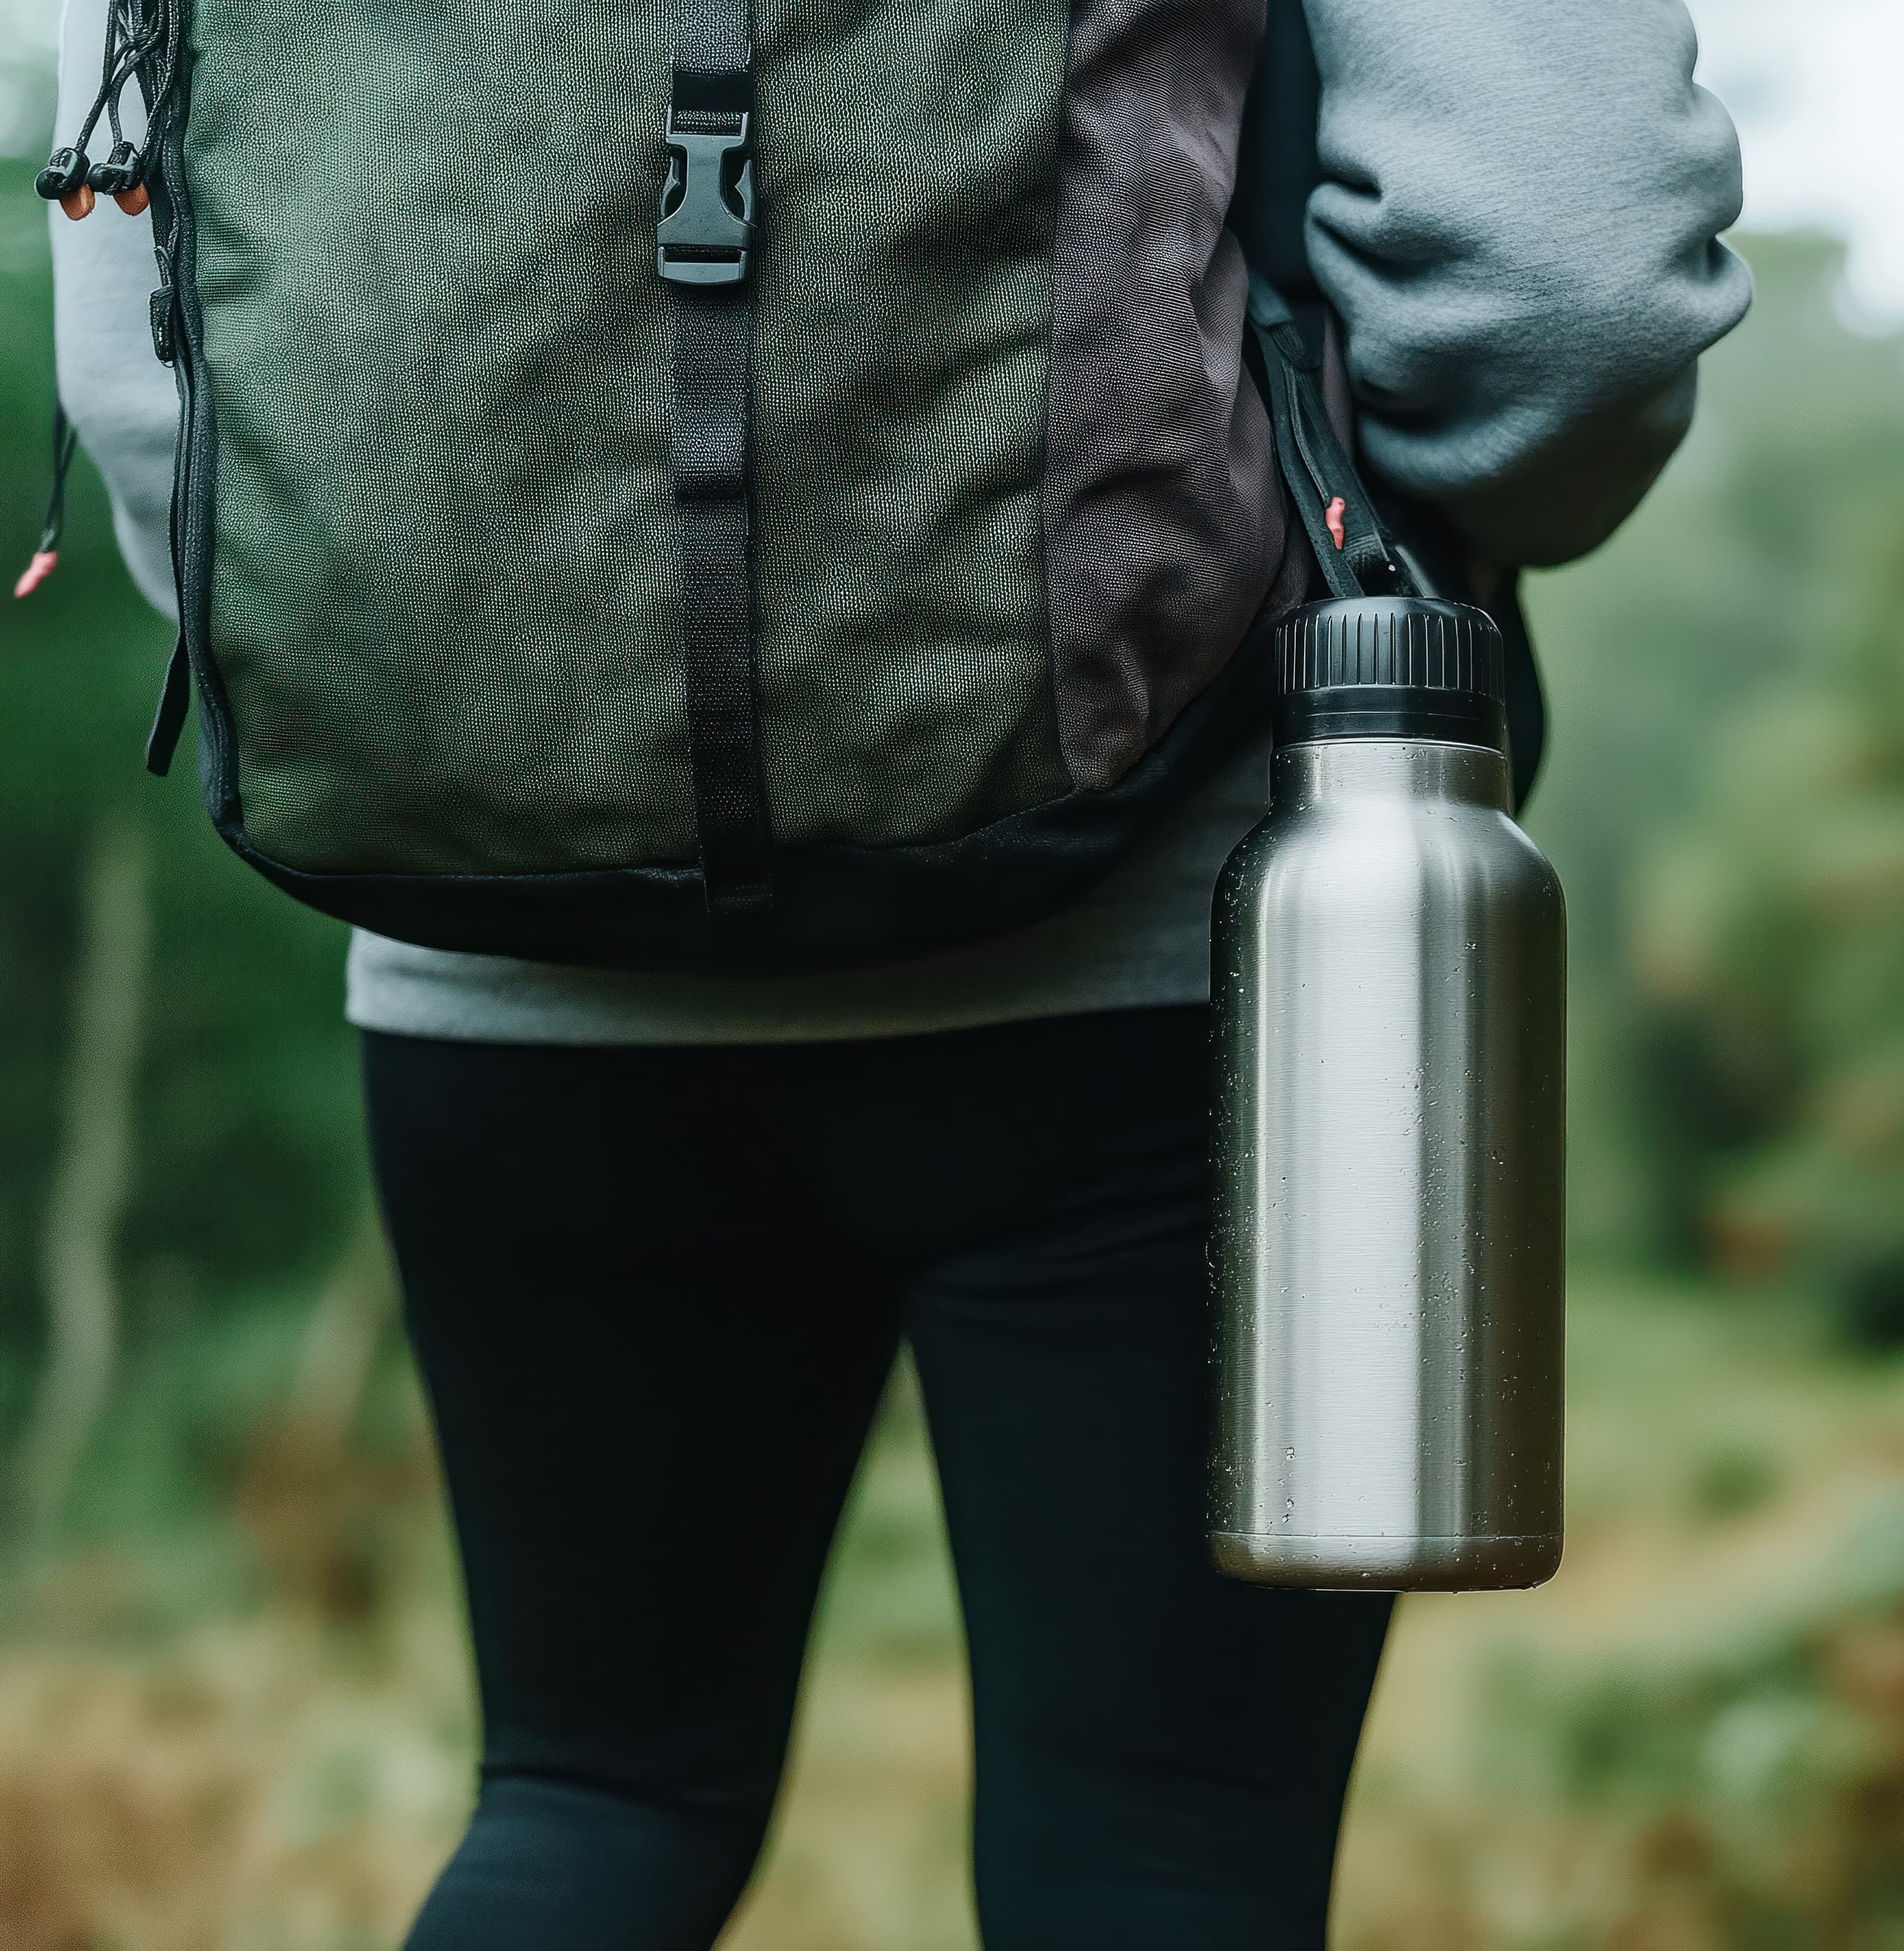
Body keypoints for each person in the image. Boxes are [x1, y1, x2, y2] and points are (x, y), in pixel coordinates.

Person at [46, 0, 1749, 1942]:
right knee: (1165, 1852)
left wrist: (425, 695)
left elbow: (145, 326)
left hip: (512, 941)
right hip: (1189, 929)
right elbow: (1568, 274)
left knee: (592, 1800)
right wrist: (1372, 532)